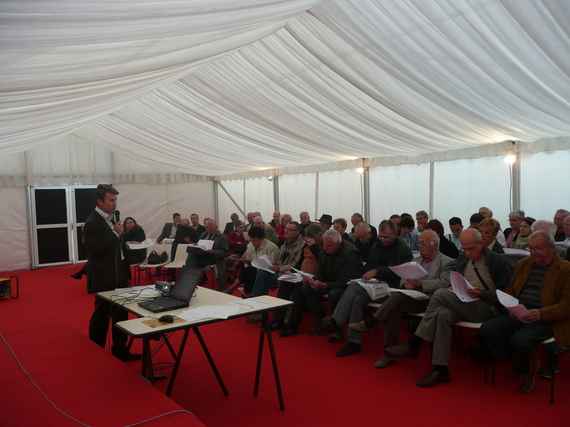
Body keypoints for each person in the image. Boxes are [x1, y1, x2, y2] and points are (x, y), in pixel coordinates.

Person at [385, 228, 512, 387]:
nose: (467, 253)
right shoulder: (463, 260)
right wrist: (456, 288)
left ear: (481, 243)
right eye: (464, 249)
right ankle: (441, 369)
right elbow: (458, 280)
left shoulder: (497, 261)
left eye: (471, 248)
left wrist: (482, 294)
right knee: (442, 315)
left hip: (488, 307)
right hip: (466, 302)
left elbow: (506, 294)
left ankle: (414, 343)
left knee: (439, 294)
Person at [478, 230, 570, 393]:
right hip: (519, 312)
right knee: (487, 329)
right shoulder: (523, 264)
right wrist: (510, 306)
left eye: (538, 248)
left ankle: (522, 364)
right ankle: (523, 364)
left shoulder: (565, 269)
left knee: (521, 340)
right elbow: (511, 289)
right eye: (531, 248)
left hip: (547, 318)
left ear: (551, 247)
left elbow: (566, 305)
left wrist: (541, 313)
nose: (533, 252)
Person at [350, 231, 455, 368]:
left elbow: (444, 283)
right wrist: (406, 284)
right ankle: (388, 353)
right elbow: (403, 277)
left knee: (397, 298)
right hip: (411, 296)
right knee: (395, 309)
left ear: (434, 244)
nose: (420, 246)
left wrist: (420, 284)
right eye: (419, 243)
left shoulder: (446, 261)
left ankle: (370, 322)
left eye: (423, 243)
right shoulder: (415, 260)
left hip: (431, 300)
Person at [310, 220, 413, 356]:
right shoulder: (378, 245)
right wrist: (370, 273)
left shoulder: (402, 247)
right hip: (376, 285)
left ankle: (336, 321)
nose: (383, 240)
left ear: (395, 234)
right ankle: (354, 342)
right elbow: (369, 264)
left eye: (386, 237)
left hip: (393, 289)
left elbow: (400, 270)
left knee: (354, 286)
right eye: (381, 236)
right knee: (357, 298)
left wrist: (377, 271)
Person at [82, 184, 140, 362]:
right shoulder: (92, 222)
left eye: (116, 200)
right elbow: (93, 249)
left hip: (118, 273)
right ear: (100, 202)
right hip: (104, 276)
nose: (115, 204)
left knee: (121, 314)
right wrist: (114, 235)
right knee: (102, 315)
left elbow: (116, 246)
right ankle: (96, 352)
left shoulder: (112, 218)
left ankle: (120, 349)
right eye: (111, 200)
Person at [302, 229, 363, 337]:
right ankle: (325, 318)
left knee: (334, 294)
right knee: (306, 288)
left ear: (338, 244)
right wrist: (314, 280)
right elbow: (320, 272)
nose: (325, 248)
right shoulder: (324, 251)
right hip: (330, 281)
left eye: (329, 246)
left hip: (347, 286)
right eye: (324, 244)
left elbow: (348, 280)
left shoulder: (350, 253)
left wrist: (326, 285)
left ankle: (337, 328)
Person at [269, 224, 324, 336]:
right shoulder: (306, 245)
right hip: (302, 274)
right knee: (285, 283)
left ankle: (293, 325)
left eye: (312, 236)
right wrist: (293, 272)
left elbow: (323, 261)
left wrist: (313, 246)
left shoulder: (324, 246)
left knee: (299, 290)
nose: (309, 239)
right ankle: (279, 320)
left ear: (320, 235)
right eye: (308, 237)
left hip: (316, 277)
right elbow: (300, 261)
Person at [225, 226, 279, 297]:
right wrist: (249, 264)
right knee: (250, 271)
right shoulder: (251, 247)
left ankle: (236, 291)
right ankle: (247, 295)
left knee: (251, 272)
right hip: (254, 270)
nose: (253, 243)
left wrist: (256, 266)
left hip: (267, 272)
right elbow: (247, 260)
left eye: (255, 240)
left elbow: (272, 265)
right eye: (251, 240)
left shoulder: (271, 248)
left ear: (262, 238)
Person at [185, 219, 229, 291]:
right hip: (202, 255)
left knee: (191, 258)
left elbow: (225, 253)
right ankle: (190, 280)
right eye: (207, 228)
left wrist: (214, 252)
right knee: (191, 254)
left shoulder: (222, 237)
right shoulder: (203, 235)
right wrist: (197, 245)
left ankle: (189, 280)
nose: (208, 229)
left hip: (213, 257)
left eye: (211, 227)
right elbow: (200, 246)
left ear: (216, 227)